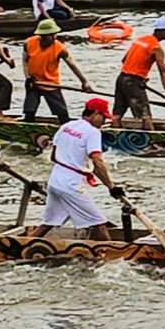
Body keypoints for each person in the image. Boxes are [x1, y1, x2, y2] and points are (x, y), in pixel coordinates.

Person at [41, 95, 128, 242]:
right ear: (95, 114)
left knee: (47, 224)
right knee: (99, 223)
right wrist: (111, 187)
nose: (104, 122)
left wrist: (80, 166)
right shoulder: (93, 132)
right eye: (104, 118)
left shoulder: (66, 126)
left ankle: (19, 245)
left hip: (55, 181)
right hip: (71, 184)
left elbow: (53, 157)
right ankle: (110, 256)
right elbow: (98, 162)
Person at [21, 18, 92, 123]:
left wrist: (84, 82)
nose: (53, 37)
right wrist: (27, 77)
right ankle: (27, 127)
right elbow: (25, 61)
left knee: (61, 112)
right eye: (50, 35)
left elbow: (72, 65)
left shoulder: (59, 48)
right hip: (33, 82)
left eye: (54, 34)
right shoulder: (29, 43)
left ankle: (65, 126)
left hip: (50, 83)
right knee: (29, 110)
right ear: (42, 36)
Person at [114, 17, 165, 131]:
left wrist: (141, 67)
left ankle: (113, 132)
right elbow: (163, 72)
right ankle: (151, 141)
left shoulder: (140, 39)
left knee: (117, 113)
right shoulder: (156, 48)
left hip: (121, 78)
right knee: (145, 115)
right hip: (133, 82)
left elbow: (124, 60)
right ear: (162, 31)